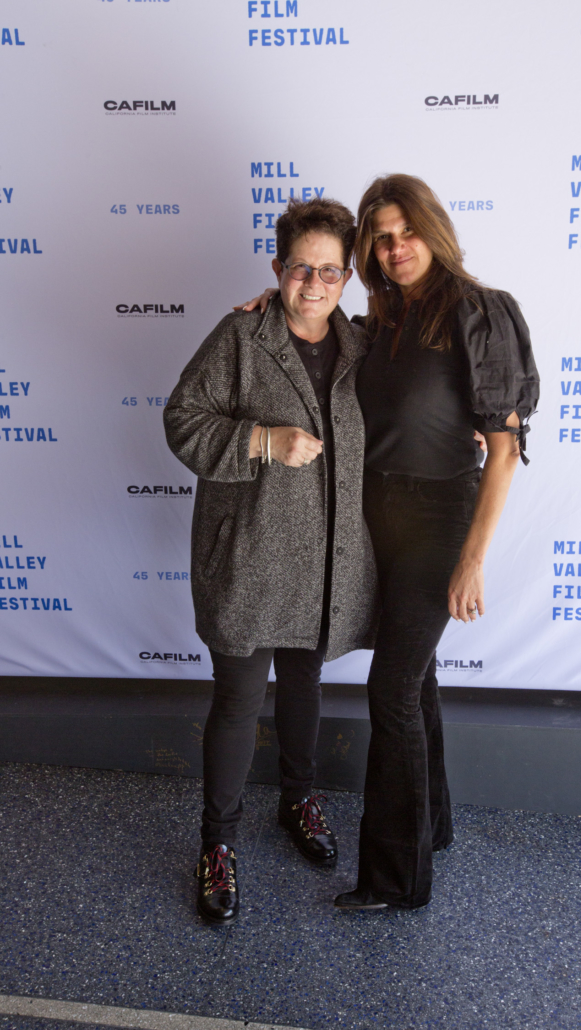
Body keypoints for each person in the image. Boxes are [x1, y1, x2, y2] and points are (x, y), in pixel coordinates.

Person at [240, 174, 539, 912]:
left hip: (440, 517)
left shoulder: (480, 311)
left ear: (433, 231)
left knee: (393, 689)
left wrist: (471, 561)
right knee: (417, 680)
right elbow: (316, 328)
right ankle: (430, 826)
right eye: (380, 237)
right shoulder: (382, 318)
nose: (395, 247)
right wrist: (274, 302)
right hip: (376, 514)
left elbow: (503, 451)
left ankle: (395, 879)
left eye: (407, 231)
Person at [163, 197, 378, 926]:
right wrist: (262, 440)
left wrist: (474, 432)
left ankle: (298, 799)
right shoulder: (239, 335)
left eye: (328, 270)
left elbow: (408, 413)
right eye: (299, 268)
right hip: (249, 555)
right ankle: (217, 843)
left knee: (304, 683)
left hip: (327, 559)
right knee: (237, 699)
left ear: (348, 276)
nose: (313, 284)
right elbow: (182, 420)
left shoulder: (364, 347)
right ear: (277, 267)